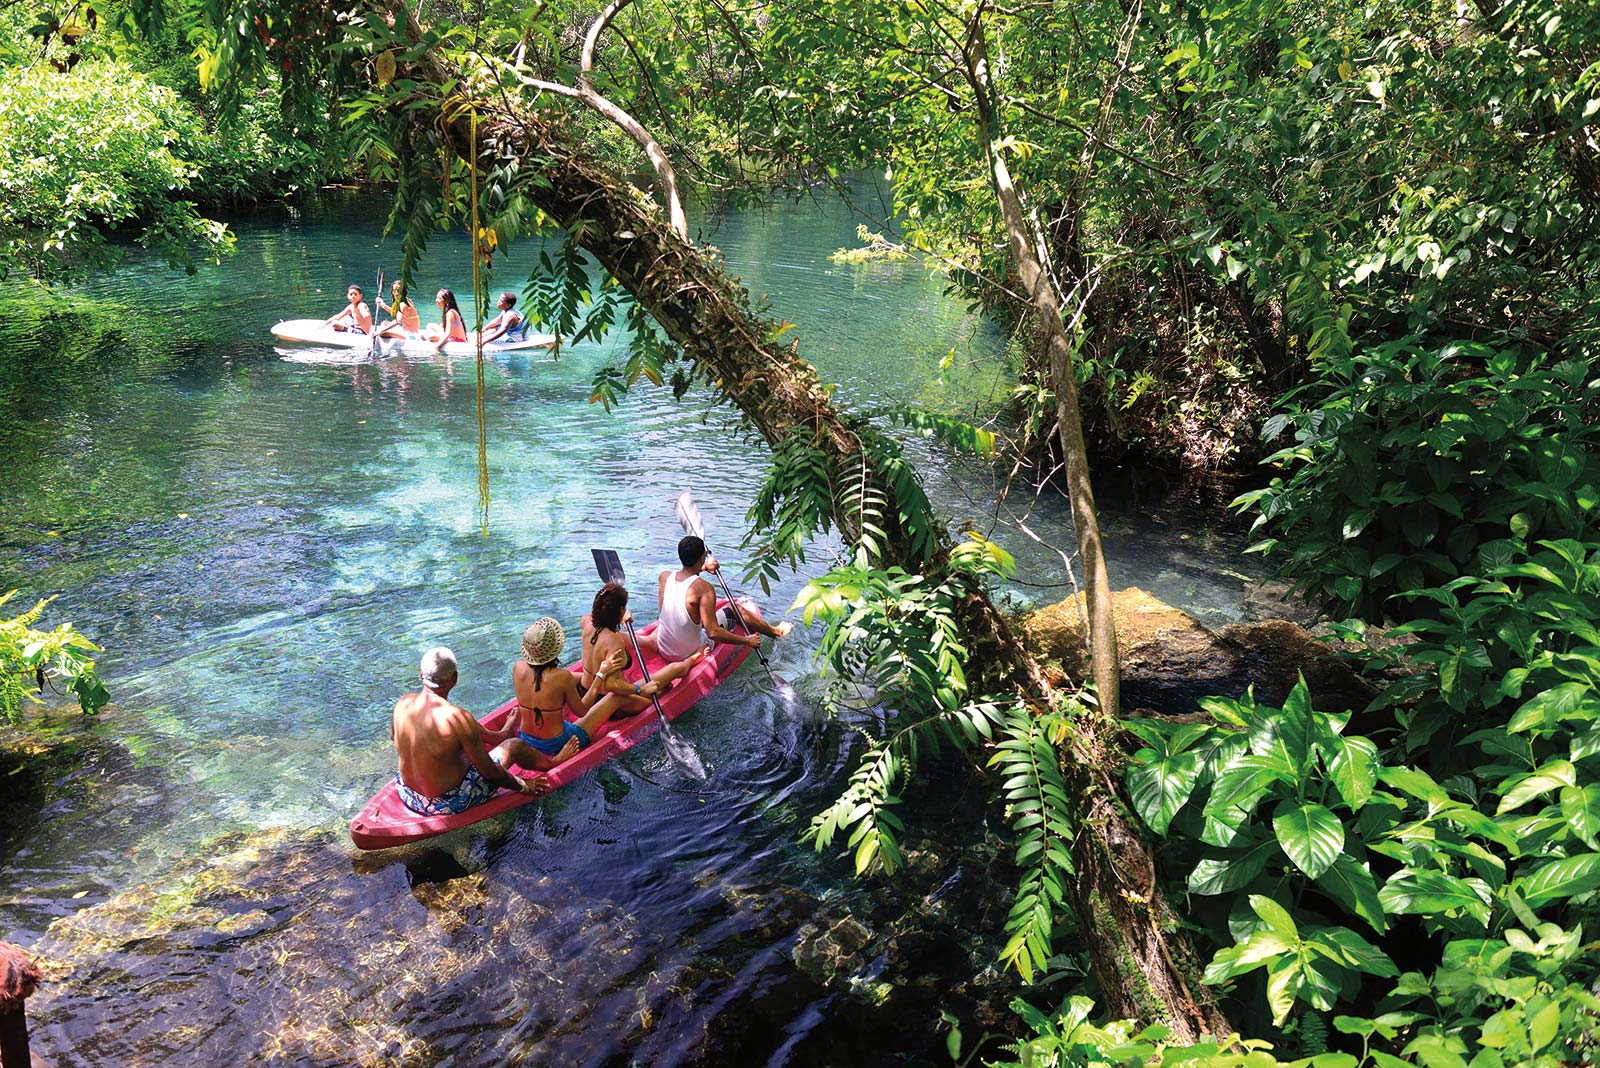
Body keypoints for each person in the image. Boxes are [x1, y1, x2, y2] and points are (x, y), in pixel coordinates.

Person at [390, 646, 548, 816]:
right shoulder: (458, 719)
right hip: (447, 802)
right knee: (514, 745)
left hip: (408, 793)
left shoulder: (403, 704)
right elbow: (489, 772)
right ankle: (552, 763)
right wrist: (522, 785)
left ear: (421, 675)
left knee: (461, 742)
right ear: (454, 678)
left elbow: (395, 738)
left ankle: (499, 736)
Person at [509, 617, 630, 763]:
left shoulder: (518, 667)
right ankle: (651, 691)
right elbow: (582, 711)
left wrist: (588, 676)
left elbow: (544, 681)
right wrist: (600, 674)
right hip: (559, 743)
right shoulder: (562, 677)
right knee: (614, 697)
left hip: (526, 738)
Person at [580, 582, 708, 715]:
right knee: (675, 668)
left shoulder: (587, 624)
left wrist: (617, 616)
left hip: (585, 691)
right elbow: (611, 685)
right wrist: (639, 689)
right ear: (619, 611)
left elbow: (588, 617)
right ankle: (691, 661)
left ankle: (651, 641)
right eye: (623, 608)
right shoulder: (614, 642)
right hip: (614, 703)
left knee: (619, 635)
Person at [656, 536, 791, 660]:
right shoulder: (704, 588)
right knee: (734, 609)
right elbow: (713, 632)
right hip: (688, 652)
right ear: (702, 558)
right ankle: (777, 632)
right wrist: (747, 641)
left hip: (664, 649)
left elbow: (687, 579)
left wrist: (703, 568)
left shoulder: (664, 577)